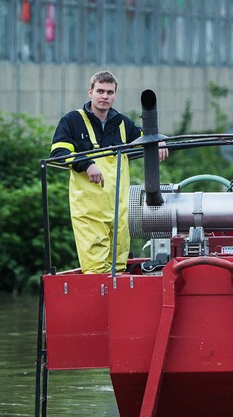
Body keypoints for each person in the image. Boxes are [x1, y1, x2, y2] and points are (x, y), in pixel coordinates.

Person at [50, 71, 167, 274]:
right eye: (100, 91)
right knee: (96, 268)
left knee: (119, 266)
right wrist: (87, 165)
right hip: (90, 210)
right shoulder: (72, 121)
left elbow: (144, 135)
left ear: (115, 96)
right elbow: (59, 151)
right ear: (90, 92)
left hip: (119, 210)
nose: (105, 96)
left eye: (109, 92)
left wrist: (159, 141)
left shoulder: (121, 122)